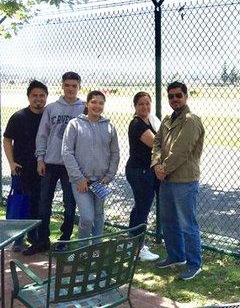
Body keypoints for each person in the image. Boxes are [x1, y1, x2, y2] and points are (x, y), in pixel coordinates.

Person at [24, 71, 84, 255]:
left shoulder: (84, 108)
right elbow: (42, 135)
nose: (70, 89)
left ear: (79, 87)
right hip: (51, 162)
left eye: (74, 85)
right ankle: (43, 239)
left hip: (70, 165)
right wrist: (40, 158)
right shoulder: (52, 108)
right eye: (67, 85)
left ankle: (64, 239)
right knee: (44, 203)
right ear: (63, 86)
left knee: (69, 202)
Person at [151, 81, 205, 280]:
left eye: (178, 95)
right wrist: (157, 164)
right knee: (168, 221)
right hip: (166, 178)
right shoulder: (167, 119)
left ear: (186, 96)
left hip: (184, 180)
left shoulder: (191, 120)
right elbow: (157, 143)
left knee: (187, 224)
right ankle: (176, 256)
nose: (174, 99)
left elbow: (181, 150)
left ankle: (194, 264)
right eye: (171, 96)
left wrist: (164, 168)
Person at [62, 90, 119, 240]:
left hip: (101, 181)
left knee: (99, 216)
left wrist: (109, 175)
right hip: (81, 182)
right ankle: (82, 248)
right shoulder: (75, 125)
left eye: (101, 103)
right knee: (87, 217)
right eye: (93, 102)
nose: (97, 106)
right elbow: (67, 153)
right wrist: (79, 178)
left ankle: (96, 247)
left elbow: (115, 153)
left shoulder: (109, 127)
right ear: (87, 104)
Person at [3, 80, 48, 252]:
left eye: (41, 95)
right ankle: (18, 238)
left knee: (38, 204)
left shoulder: (48, 117)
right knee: (22, 204)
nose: (38, 99)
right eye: (34, 95)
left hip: (43, 168)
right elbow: (7, 140)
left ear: (46, 97)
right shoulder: (19, 117)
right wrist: (11, 162)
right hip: (22, 168)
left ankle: (34, 235)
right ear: (29, 97)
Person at [125, 92, 160, 261]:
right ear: (135, 106)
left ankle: (131, 243)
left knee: (139, 207)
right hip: (139, 171)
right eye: (141, 104)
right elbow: (156, 144)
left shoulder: (149, 121)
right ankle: (138, 248)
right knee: (143, 209)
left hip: (144, 171)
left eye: (147, 103)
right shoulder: (137, 124)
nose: (145, 107)